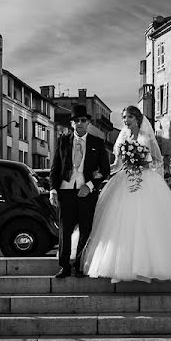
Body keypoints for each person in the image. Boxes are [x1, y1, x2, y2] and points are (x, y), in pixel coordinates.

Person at [81, 106, 171, 283]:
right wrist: (103, 171)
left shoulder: (146, 137)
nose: (126, 121)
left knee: (148, 220)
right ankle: (123, 263)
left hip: (145, 179)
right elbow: (118, 164)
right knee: (123, 220)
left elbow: (155, 160)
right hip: (125, 179)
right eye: (124, 118)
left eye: (129, 118)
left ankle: (149, 264)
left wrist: (140, 163)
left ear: (137, 119)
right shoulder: (122, 137)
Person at [49, 104, 112, 279]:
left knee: (85, 230)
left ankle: (79, 265)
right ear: (72, 124)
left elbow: (104, 171)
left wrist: (90, 185)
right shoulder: (63, 141)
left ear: (88, 122)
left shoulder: (97, 143)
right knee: (65, 230)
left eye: (83, 120)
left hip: (87, 193)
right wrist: (53, 190)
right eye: (76, 121)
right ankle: (64, 266)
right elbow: (55, 169)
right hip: (65, 192)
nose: (80, 123)